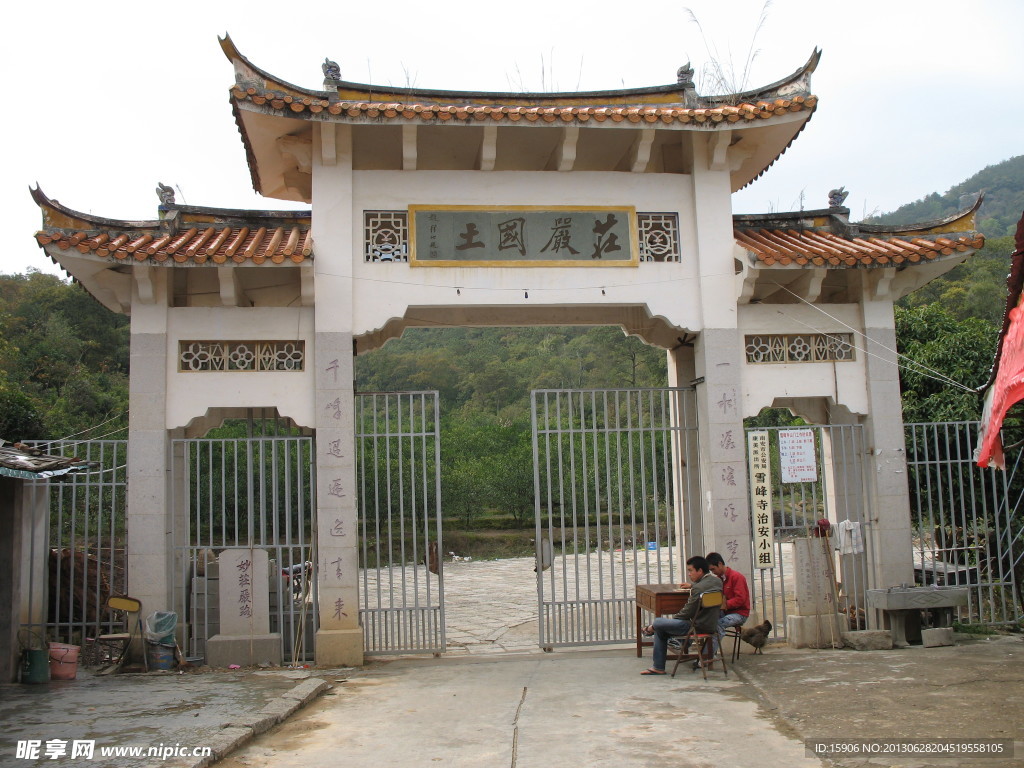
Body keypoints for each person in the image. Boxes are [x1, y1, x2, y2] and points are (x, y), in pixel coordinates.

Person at [640, 555, 722, 675]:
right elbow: (705, 586)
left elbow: (687, 612)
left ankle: (649, 630)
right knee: (661, 629)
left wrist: (674, 621)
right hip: (711, 625)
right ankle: (658, 665)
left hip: (696, 627)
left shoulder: (697, 589)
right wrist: (693, 586)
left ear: (700, 571)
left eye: (690, 571)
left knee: (658, 623)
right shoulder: (717, 581)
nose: (689, 574)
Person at [704, 551, 750, 664]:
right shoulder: (719, 579)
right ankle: (708, 652)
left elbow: (740, 599)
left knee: (718, 624)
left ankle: (706, 656)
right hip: (725, 611)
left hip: (739, 613)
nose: (713, 572)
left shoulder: (736, 577)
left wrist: (724, 605)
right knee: (705, 619)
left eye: (713, 569)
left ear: (720, 564)